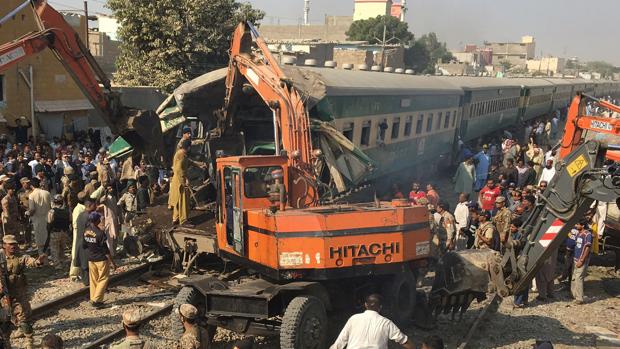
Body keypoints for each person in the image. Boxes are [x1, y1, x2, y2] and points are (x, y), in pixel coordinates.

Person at [0, 234, 46, 349]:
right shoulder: (1, 257)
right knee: (6, 318)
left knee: (23, 316)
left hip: (18, 292)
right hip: (4, 294)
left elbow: (31, 262)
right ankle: (6, 341)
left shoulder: (21, 257)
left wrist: (38, 262)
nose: (13, 246)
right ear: (4, 245)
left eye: (14, 244)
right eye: (10, 244)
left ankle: (29, 340)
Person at [330, 294, 414, 349]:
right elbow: (404, 341)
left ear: (366, 305)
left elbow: (340, 343)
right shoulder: (386, 323)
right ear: (380, 307)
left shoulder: (353, 319)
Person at [83, 211, 117, 308]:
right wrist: (112, 262)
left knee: (93, 280)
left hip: (91, 259)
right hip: (101, 260)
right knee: (103, 279)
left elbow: (84, 245)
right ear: (97, 220)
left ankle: (93, 297)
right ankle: (96, 300)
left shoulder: (86, 231)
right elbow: (106, 250)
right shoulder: (100, 233)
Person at [169, 140, 205, 226]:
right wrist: (184, 180)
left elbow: (189, 162)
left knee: (178, 200)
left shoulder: (182, 153)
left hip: (177, 180)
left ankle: (175, 218)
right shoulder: (181, 154)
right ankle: (183, 221)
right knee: (183, 201)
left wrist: (200, 164)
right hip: (179, 181)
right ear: (188, 147)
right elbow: (178, 169)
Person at [572, 219, 592, 304]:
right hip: (575, 258)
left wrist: (582, 260)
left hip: (581, 260)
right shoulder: (578, 233)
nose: (576, 226)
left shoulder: (587, 234)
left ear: (582, 225)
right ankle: (574, 295)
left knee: (579, 278)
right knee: (574, 278)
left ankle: (579, 298)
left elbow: (587, 248)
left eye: (577, 224)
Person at [47, 194, 70, 269]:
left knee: (54, 249)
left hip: (55, 232)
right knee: (62, 249)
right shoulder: (67, 211)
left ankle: (57, 265)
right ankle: (63, 262)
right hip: (64, 232)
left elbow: (49, 222)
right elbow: (70, 220)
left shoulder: (52, 211)